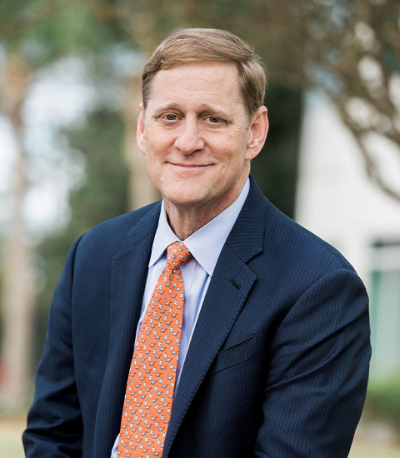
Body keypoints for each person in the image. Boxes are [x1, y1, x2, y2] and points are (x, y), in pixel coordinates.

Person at [23, 28, 371, 458]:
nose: (187, 142)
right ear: (142, 129)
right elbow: (51, 434)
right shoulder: (92, 255)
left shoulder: (319, 287)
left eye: (213, 118)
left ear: (254, 133)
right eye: (169, 117)